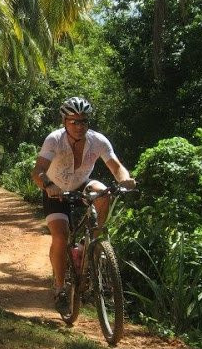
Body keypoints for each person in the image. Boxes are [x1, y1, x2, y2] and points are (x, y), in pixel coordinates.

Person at [30, 96, 136, 314]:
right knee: (60, 236)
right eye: (74, 121)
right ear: (64, 122)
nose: (79, 126)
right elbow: (38, 171)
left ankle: (91, 246)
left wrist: (125, 179)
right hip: (55, 191)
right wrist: (48, 184)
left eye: (83, 121)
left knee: (103, 193)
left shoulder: (98, 141)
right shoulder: (54, 139)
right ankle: (60, 288)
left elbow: (116, 167)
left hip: (81, 185)